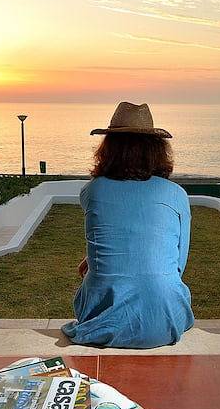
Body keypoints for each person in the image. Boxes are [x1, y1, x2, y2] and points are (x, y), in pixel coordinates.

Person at [62, 102, 194, 348]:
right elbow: (177, 265)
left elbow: (108, 235)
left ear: (109, 149)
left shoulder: (93, 191)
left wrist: (91, 262)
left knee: (93, 287)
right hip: (165, 321)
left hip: (102, 322)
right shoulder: (176, 194)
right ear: (157, 150)